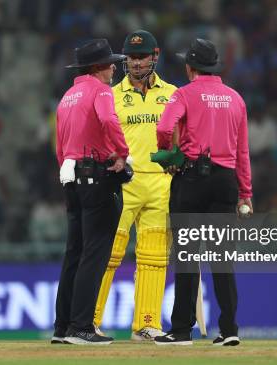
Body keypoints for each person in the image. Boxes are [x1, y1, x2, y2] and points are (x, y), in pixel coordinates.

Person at [153, 39, 253, 346]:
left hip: (192, 178)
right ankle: (230, 329)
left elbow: (163, 126)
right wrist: (245, 193)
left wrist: (167, 155)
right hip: (225, 180)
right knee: (222, 258)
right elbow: (243, 152)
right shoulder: (236, 99)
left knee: (186, 256)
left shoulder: (183, 93)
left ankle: (182, 330)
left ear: (190, 67)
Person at [93, 30, 177, 341]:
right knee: (108, 254)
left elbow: (181, 139)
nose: (136, 63)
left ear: (155, 56)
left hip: (160, 184)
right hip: (123, 183)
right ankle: (89, 322)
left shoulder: (172, 94)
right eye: (130, 57)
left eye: (141, 57)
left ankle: (147, 323)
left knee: (154, 258)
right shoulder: (111, 95)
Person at [53, 39, 130, 345]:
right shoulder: (101, 91)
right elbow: (109, 120)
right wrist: (122, 152)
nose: (114, 67)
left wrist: (66, 170)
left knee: (74, 253)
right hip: (97, 176)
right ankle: (81, 326)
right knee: (95, 253)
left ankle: (63, 326)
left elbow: (60, 144)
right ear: (98, 67)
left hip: (71, 177)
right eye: (110, 62)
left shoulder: (67, 96)